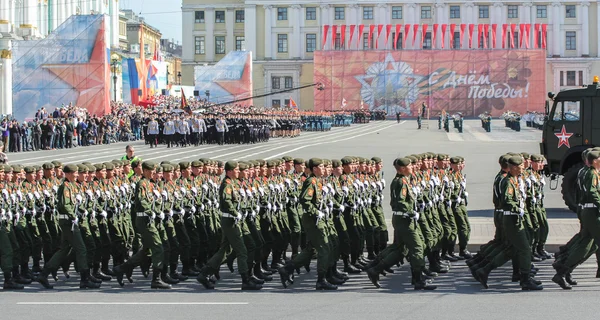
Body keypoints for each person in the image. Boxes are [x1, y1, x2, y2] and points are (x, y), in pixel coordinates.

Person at [196, 161, 263, 290]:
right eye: (236, 170)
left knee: (224, 251)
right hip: (230, 221)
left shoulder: (233, 183)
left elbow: (238, 201)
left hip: (235, 220)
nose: (238, 171)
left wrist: (245, 210)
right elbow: (227, 201)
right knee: (242, 250)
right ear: (229, 171)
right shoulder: (227, 184)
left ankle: (204, 274)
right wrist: (235, 212)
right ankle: (245, 280)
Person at [36, 164, 101, 289]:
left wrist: (82, 210)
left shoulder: (73, 186)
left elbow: (76, 204)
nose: (77, 175)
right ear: (68, 174)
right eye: (75, 173)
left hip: (71, 221)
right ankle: (84, 279)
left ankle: (44, 274)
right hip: (68, 222)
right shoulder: (65, 187)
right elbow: (65, 205)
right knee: (81, 249)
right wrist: (73, 216)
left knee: (64, 249)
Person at [113, 161, 171, 289]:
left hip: (150, 219)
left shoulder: (151, 184)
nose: (153, 173)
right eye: (150, 171)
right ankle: (156, 279)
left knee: (147, 250)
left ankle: (122, 268)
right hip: (145, 220)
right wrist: (152, 212)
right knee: (158, 247)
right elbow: (142, 201)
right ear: (144, 171)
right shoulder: (142, 184)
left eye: (154, 171)